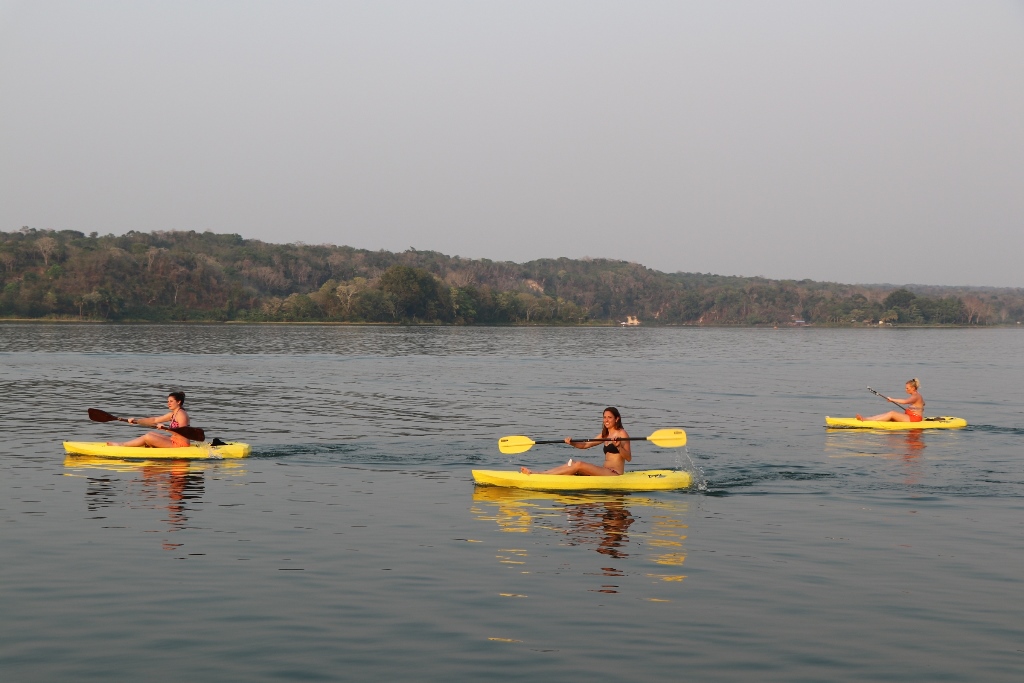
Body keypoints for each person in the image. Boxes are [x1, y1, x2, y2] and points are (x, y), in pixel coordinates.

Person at [520, 407, 631, 476]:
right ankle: (541, 473)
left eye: (609, 417)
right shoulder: (605, 434)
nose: (606, 420)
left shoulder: (622, 434)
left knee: (579, 465)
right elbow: (585, 445)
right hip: (604, 471)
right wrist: (572, 443)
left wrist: (618, 447)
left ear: (617, 419)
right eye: (604, 417)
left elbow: (628, 457)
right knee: (572, 464)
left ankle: (539, 475)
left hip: (615, 474)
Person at [106, 391, 192, 447]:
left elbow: (182, 432)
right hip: (174, 440)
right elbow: (154, 420)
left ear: (178, 402)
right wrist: (136, 421)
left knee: (148, 437)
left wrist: (165, 428)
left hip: (181, 444)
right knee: (150, 433)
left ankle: (122, 445)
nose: (168, 403)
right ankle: (129, 444)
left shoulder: (181, 414)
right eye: (168, 401)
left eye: (171, 401)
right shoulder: (172, 414)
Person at [857, 379, 925, 422]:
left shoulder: (915, 396)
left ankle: (866, 420)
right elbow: (923, 403)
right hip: (911, 416)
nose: (906, 390)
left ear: (913, 388)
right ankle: (867, 418)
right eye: (905, 388)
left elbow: (904, 402)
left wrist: (892, 399)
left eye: (907, 388)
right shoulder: (917, 395)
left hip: (915, 419)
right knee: (888, 414)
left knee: (892, 413)